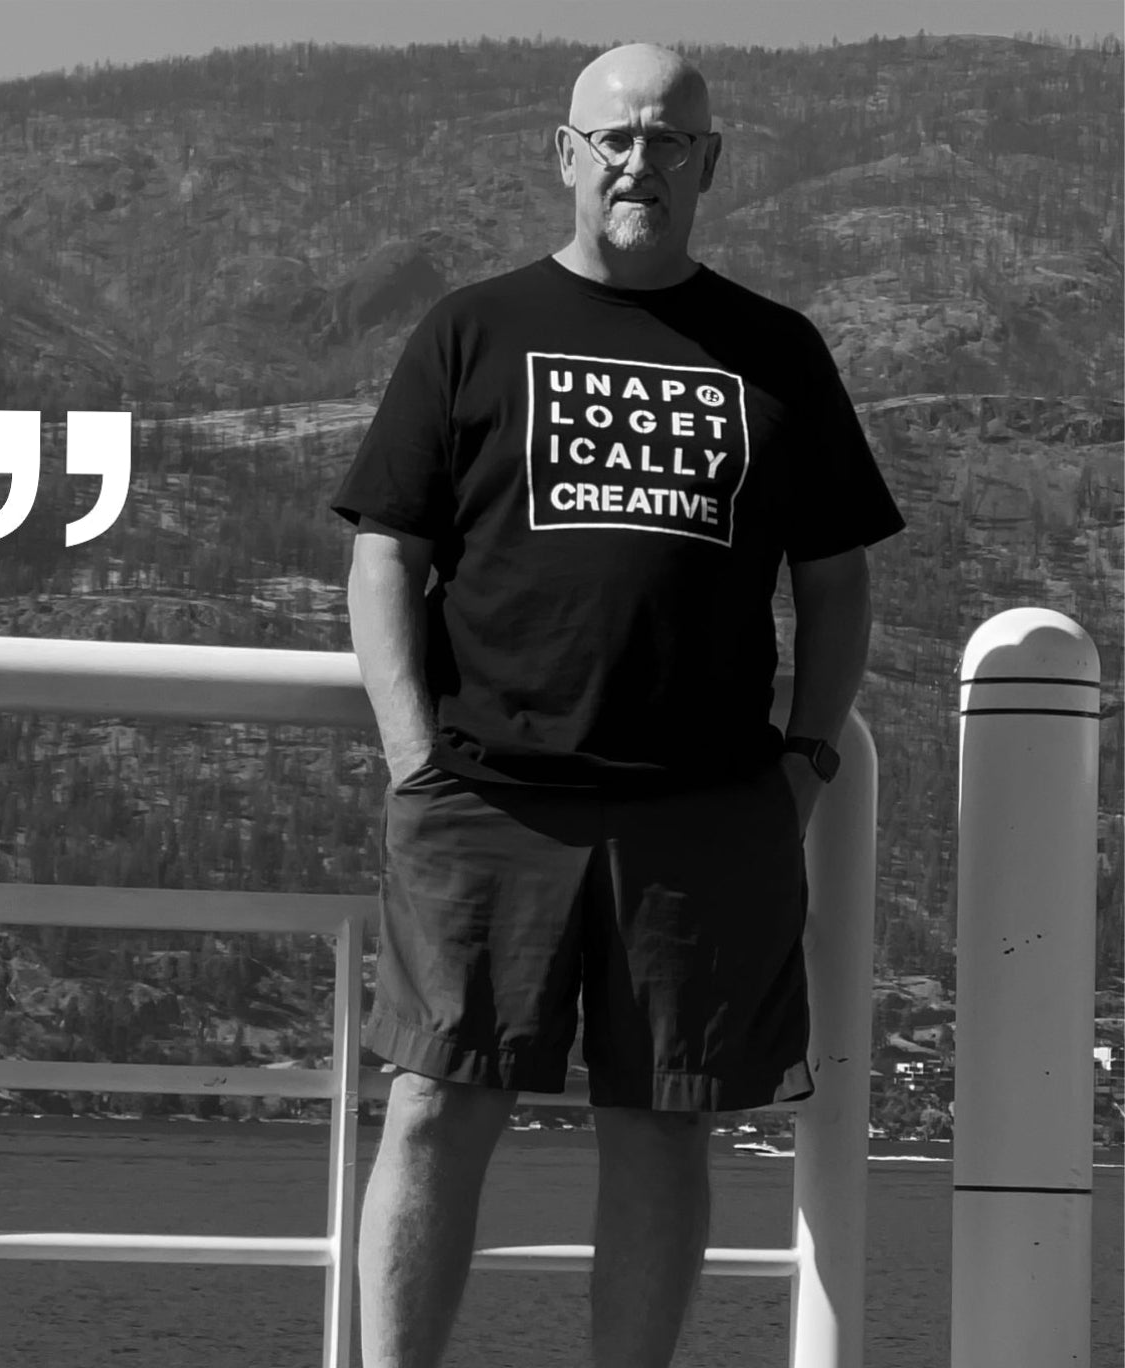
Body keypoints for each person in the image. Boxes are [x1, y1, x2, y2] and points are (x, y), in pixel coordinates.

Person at [328, 43, 905, 1368]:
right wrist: (416, 755)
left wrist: (808, 761)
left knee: (662, 1123)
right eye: (615, 137)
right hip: (486, 799)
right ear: (567, 153)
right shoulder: (471, 328)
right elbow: (385, 556)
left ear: (710, 162)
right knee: (432, 1104)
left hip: (701, 817)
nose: (639, 159)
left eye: (668, 139)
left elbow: (836, 583)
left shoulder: (777, 353)